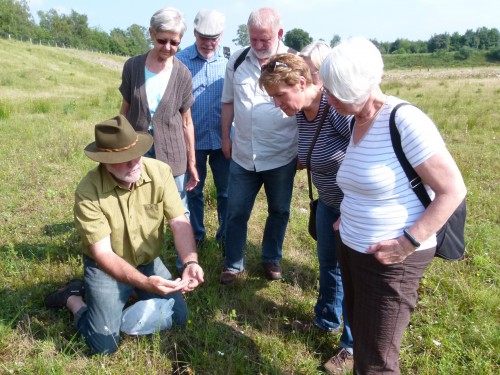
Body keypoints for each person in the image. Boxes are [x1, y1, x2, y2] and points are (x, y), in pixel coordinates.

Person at [320, 37, 467, 374]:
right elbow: (365, 181)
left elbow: (452, 189)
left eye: (334, 92)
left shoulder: (405, 121)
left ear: (358, 90)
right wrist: (350, 214)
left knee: (378, 361)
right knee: (363, 340)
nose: (327, 98)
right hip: (354, 249)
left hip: (391, 263)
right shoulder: (356, 120)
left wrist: (407, 242)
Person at [44, 115, 204, 355]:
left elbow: (179, 221)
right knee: (104, 345)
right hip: (105, 268)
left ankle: (128, 291)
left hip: (147, 261)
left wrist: (191, 261)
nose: (134, 163)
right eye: (122, 159)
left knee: (178, 316)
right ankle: (73, 298)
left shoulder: (160, 172)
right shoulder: (88, 192)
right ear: (105, 162)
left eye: (136, 153)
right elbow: (103, 254)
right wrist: (145, 283)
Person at [259, 50, 354, 374]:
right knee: (329, 266)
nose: (277, 104)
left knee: (353, 275)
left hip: (354, 209)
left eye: (280, 95)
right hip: (328, 204)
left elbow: (364, 153)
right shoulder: (301, 111)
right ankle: (326, 321)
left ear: (301, 82)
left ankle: (352, 346)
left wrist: (352, 209)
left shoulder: (338, 109)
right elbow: (312, 149)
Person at [220, 8, 297, 284]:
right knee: (236, 210)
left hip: (281, 155)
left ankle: (271, 258)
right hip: (243, 154)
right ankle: (233, 264)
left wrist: (304, 150)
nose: (259, 46)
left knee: (279, 210)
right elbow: (228, 101)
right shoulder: (238, 60)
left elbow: (304, 108)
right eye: (254, 40)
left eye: (265, 40)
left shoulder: (295, 62)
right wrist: (225, 137)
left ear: (279, 33)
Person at [119, 7, 198, 217]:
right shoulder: (133, 67)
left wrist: (192, 162)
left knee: (179, 208)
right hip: (137, 148)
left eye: (175, 42)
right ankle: (147, 250)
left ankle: (186, 250)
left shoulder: (183, 74)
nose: (168, 47)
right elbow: (124, 111)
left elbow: (187, 122)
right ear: (151, 33)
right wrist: (118, 148)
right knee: (139, 205)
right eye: (162, 40)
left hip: (172, 151)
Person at [176, 10, 230, 248]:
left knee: (226, 192)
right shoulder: (180, 60)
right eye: (204, 37)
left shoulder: (230, 62)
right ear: (195, 34)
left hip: (223, 140)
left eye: (214, 38)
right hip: (192, 141)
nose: (209, 43)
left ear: (221, 36)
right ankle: (196, 235)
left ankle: (226, 235)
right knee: (193, 191)